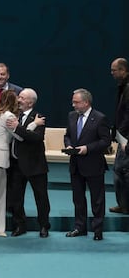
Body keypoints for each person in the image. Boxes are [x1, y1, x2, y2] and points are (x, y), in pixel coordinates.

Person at [0, 90, 43, 238]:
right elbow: (19, 135)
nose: (19, 100)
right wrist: (34, 124)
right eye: (17, 98)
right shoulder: (9, 116)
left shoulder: (0, 114)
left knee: (0, 194)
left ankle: (0, 228)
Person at [64, 88, 111, 241]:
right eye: (73, 102)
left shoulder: (99, 118)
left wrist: (87, 149)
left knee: (97, 200)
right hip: (76, 164)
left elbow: (105, 141)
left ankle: (98, 230)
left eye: (76, 102)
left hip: (93, 164)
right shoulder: (72, 116)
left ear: (86, 102)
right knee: (78, 198)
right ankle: (80, 227)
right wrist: (69, 145)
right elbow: (68, 136)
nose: (73, 105)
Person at [6, 88, 51, 238]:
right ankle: (20, 225)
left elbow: (35, 138)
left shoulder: (40, 117)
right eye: (19, 97)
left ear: (31, 102)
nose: (19, 100)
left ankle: (44, 225)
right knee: (16, 198)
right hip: (16, 165)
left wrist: (18, 128)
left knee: (41, 197)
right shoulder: (14, 116)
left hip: (35, 166)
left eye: (22, 98)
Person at [110, 58, 129, 214]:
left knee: (121, 170)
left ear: (123, 70)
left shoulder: (128, 88)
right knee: (121, 170)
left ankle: (125, 205)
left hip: (126, 137)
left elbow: (127, 115)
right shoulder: (123, 87)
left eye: (114, 70)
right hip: (123, 135)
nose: (112, 73)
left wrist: (121, 134)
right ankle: (124, 204)